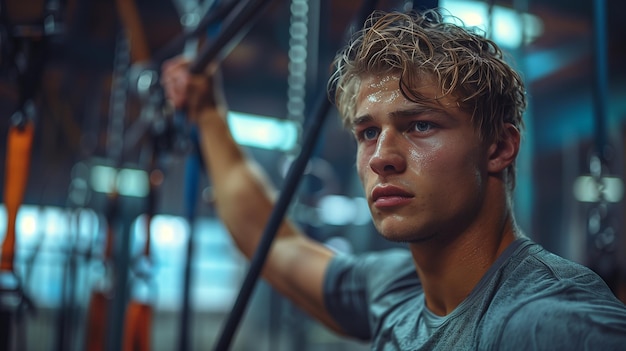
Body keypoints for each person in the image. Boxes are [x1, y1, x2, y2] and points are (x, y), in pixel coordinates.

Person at [161, 9, 626, 350]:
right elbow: (273, 244)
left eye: (420, 125)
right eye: (368, 132)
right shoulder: (395, 289)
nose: (382, 157)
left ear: (500, 148)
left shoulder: (546, 322)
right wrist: (208, 115)